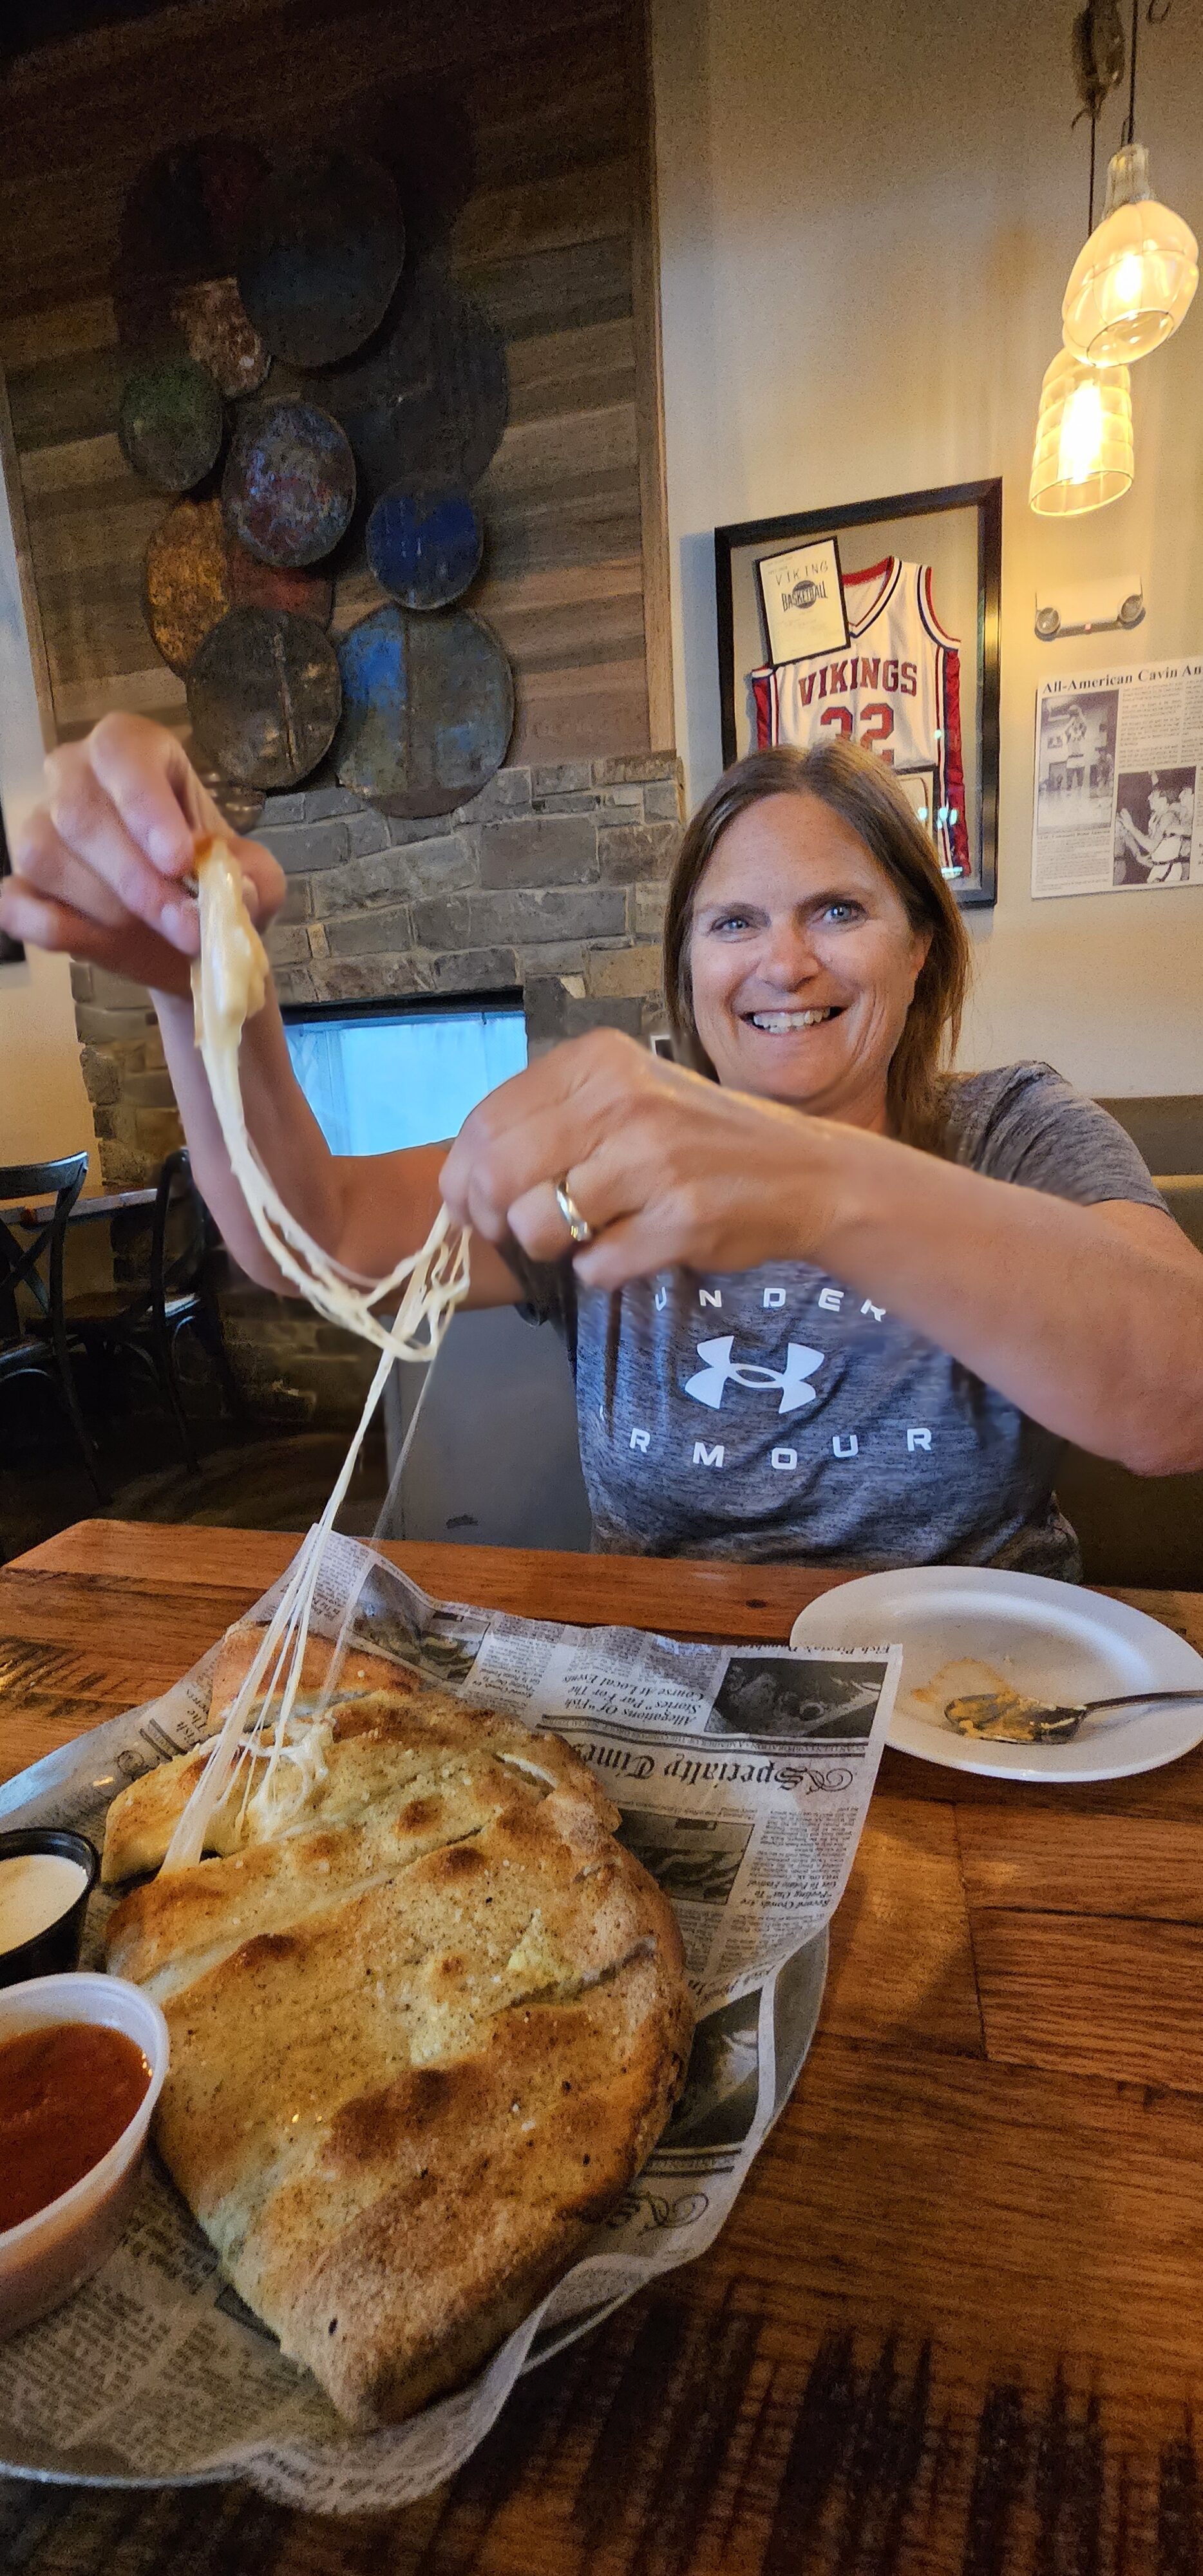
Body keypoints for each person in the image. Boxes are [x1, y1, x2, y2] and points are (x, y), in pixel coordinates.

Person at [5, 717, 1203, 1577]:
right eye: (733, 922)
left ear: (920, 947)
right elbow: (307, 1236)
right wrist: (198, 979)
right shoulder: (620, 1155)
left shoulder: (1015, 1131)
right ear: (688, 968)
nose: (784, 963)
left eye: (838, 910)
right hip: (681, 1726)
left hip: (975, 1726)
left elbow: (1179, 1402)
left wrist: (810, 1182)